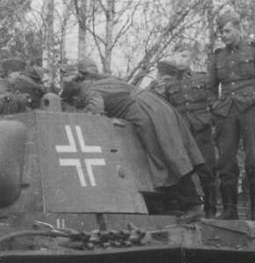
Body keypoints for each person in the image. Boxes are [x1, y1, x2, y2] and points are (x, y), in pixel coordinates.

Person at [61, 73, 205, 221]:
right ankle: (173, 205)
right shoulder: (97, 83)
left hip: (146, 111)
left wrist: (79, 116)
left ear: (75, 99)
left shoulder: (89, 93)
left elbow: (94, 112)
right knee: (166, 158)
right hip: (155, 105)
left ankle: (193, 206)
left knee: (167, 158)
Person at [208, 10, 255, 220]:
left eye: (227, 31)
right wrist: (215, 107)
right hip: (226, 112)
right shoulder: (217, 56)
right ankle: (229, 209)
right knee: (225, 161)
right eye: (221, 32)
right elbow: (211, 88)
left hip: (250, 110)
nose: (224, 35)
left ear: (239, 29)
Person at [155, 48, 217, 217]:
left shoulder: (203, 78)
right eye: (179, 56)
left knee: (207, 169)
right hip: (182, 132)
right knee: (184, 169)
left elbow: (213, 100)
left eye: (185, 56)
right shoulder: (168, 83)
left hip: (202, 130)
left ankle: (211, 210)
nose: (182, 60)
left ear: (191, 58)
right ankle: (188, 208)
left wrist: (211, 121)